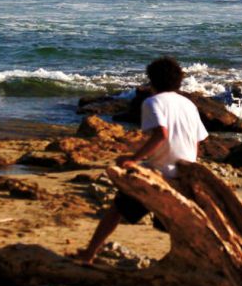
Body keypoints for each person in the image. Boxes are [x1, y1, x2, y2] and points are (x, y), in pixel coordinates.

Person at [76, 56, 208, 265]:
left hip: (159, 173)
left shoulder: (152, 102)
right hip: (184, 174)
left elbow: (161, 134)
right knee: (175, 224)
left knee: (116, 210)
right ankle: (187, 260)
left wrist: (134, 159)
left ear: (152, 80)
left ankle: (90, 252)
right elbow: (197, 141)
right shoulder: (189, 104)